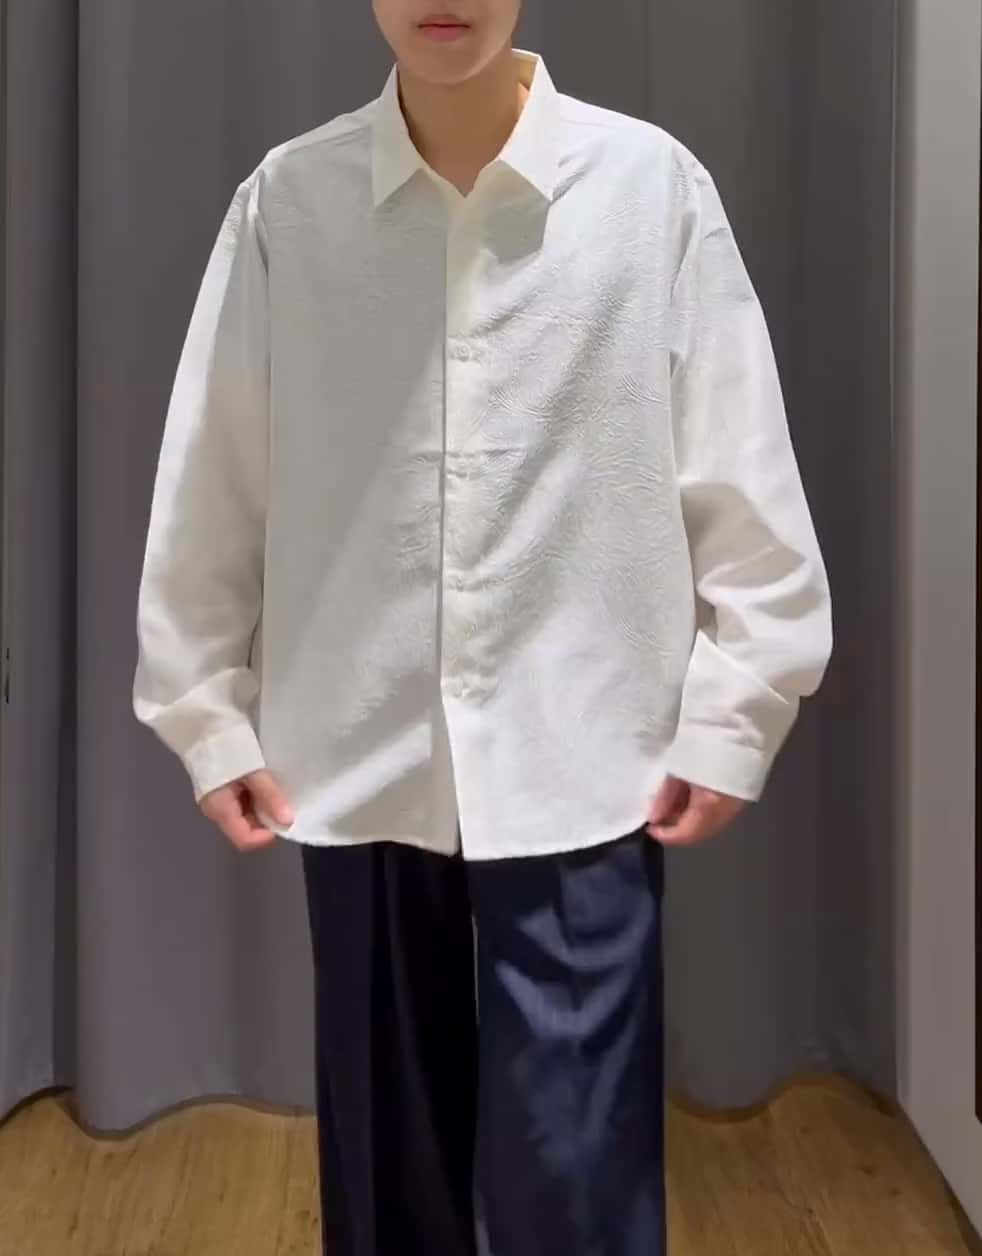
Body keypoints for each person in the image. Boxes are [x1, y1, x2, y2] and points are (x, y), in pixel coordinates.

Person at [132, 2, 833, 1253]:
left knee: (578, 1182)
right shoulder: (290, 204)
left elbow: (738, 462)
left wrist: (738, 707)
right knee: (383, 1174)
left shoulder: (648, 191)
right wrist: (205, 711)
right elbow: (215, 473)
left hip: (586, 748)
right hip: (352, 749)